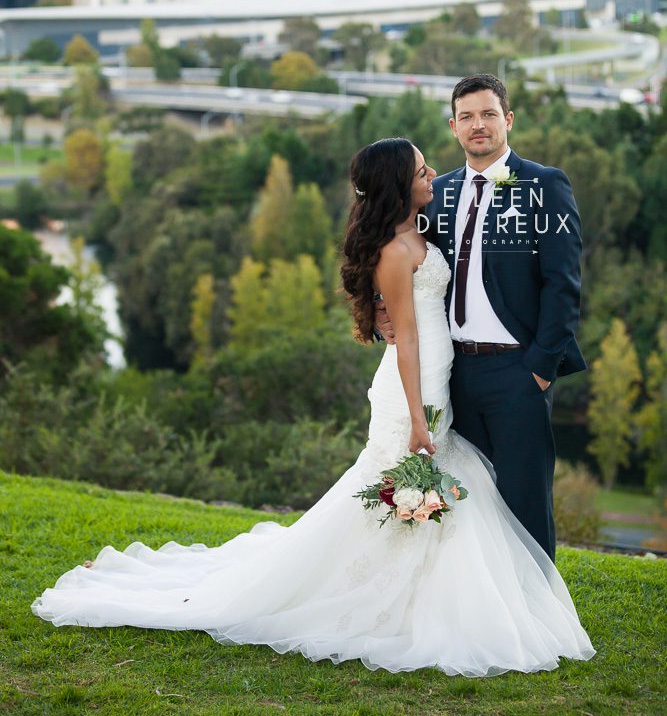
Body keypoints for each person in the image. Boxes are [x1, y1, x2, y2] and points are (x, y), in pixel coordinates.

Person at [32, 137, 594, 677]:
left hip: (448, 376)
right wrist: (419, 414)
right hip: (415, 386)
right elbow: (410, 337)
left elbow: (461, 280)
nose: (431, 176)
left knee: (435, 487)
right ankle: (384, 597)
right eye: (420, 171)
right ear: (400, 185)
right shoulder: (400, 247)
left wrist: (382, 310)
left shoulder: (422, 224)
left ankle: (456, 592)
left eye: (427, 169)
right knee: (403, 482)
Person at [375, 74, 586, 562]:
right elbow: (390, 256)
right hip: (454, 374)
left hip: (519, 373)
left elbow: (564, 284)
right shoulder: (437, 193)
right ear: (453, 127)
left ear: (507, 120)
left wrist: (540, 368)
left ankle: (539, 622)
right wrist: (378, 314)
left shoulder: (544, 185)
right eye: (466, 116)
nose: (478, 125)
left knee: (526, 501)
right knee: (468, 507)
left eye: (488, 114)